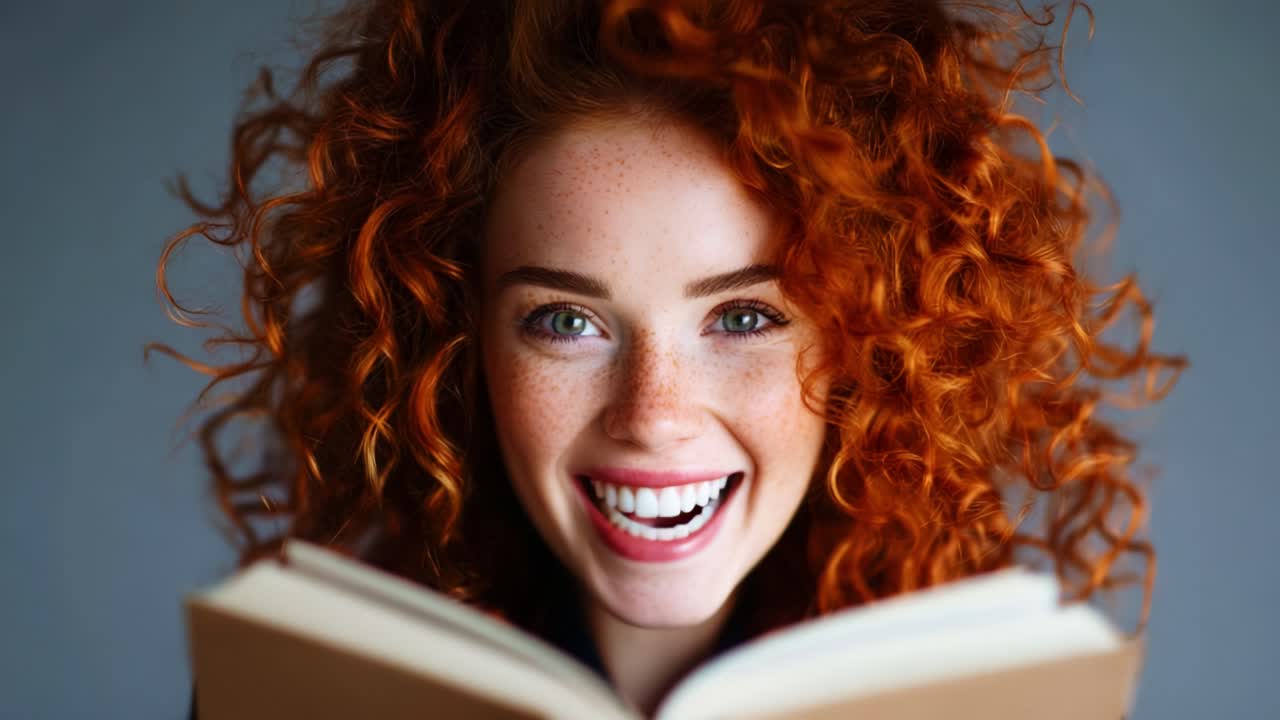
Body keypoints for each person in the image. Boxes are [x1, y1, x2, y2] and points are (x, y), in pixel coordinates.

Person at [156, 0, 1184, 715]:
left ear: (863, 340)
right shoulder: (315, 691)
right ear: (456, 339)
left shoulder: (986, 699)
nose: (651, 412)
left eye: (742, 318)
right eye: (565, 322)